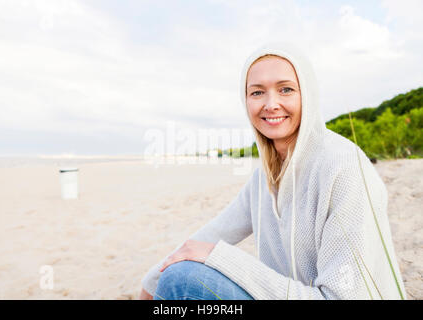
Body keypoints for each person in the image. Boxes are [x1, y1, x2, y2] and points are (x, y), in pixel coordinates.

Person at [139, 42, 407, 300]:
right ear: (246, 101)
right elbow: (212, 233)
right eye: (257, 92)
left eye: (286, 89)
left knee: (183, 280)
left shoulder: (344, 166)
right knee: (175, 275)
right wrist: (149, 284)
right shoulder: (263, 178)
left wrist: (220, 258)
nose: (271, 104)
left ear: (307, 94)